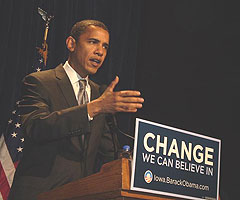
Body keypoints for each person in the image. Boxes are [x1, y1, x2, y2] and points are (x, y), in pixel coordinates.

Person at [8, 19, 144, 200]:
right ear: (71, 44)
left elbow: (107, 152)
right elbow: (37, 127)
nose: (100, 52)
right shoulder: (39, 82)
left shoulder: (99, 93)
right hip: (39, 193)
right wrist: (92, 108)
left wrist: (135, 165)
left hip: (81, 194)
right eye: (93, 42)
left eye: (105, 46)